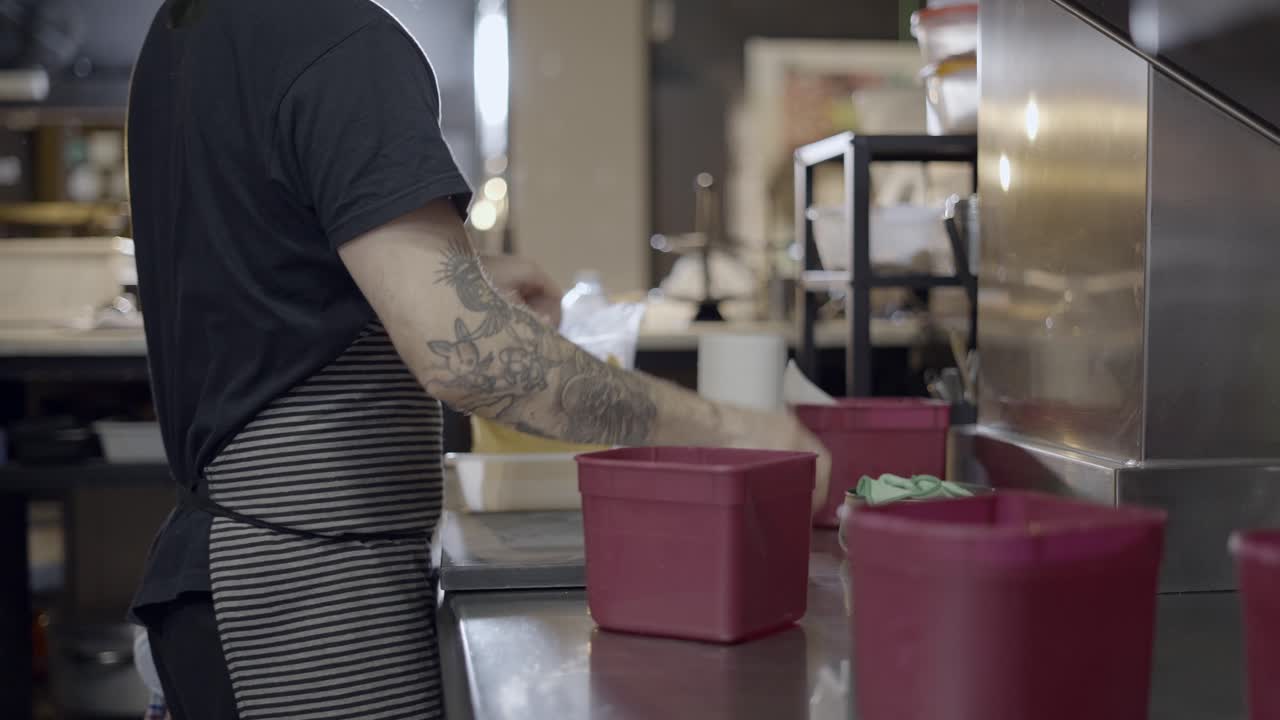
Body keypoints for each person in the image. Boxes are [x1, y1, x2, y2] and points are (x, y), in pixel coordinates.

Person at [126, 1, 829, 718]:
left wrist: (466, 277)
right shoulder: (337, 37)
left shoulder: (194, 26)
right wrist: (730, 432)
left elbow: (260, 269)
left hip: (222, 576)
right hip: (304, 599)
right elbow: (470, 358)